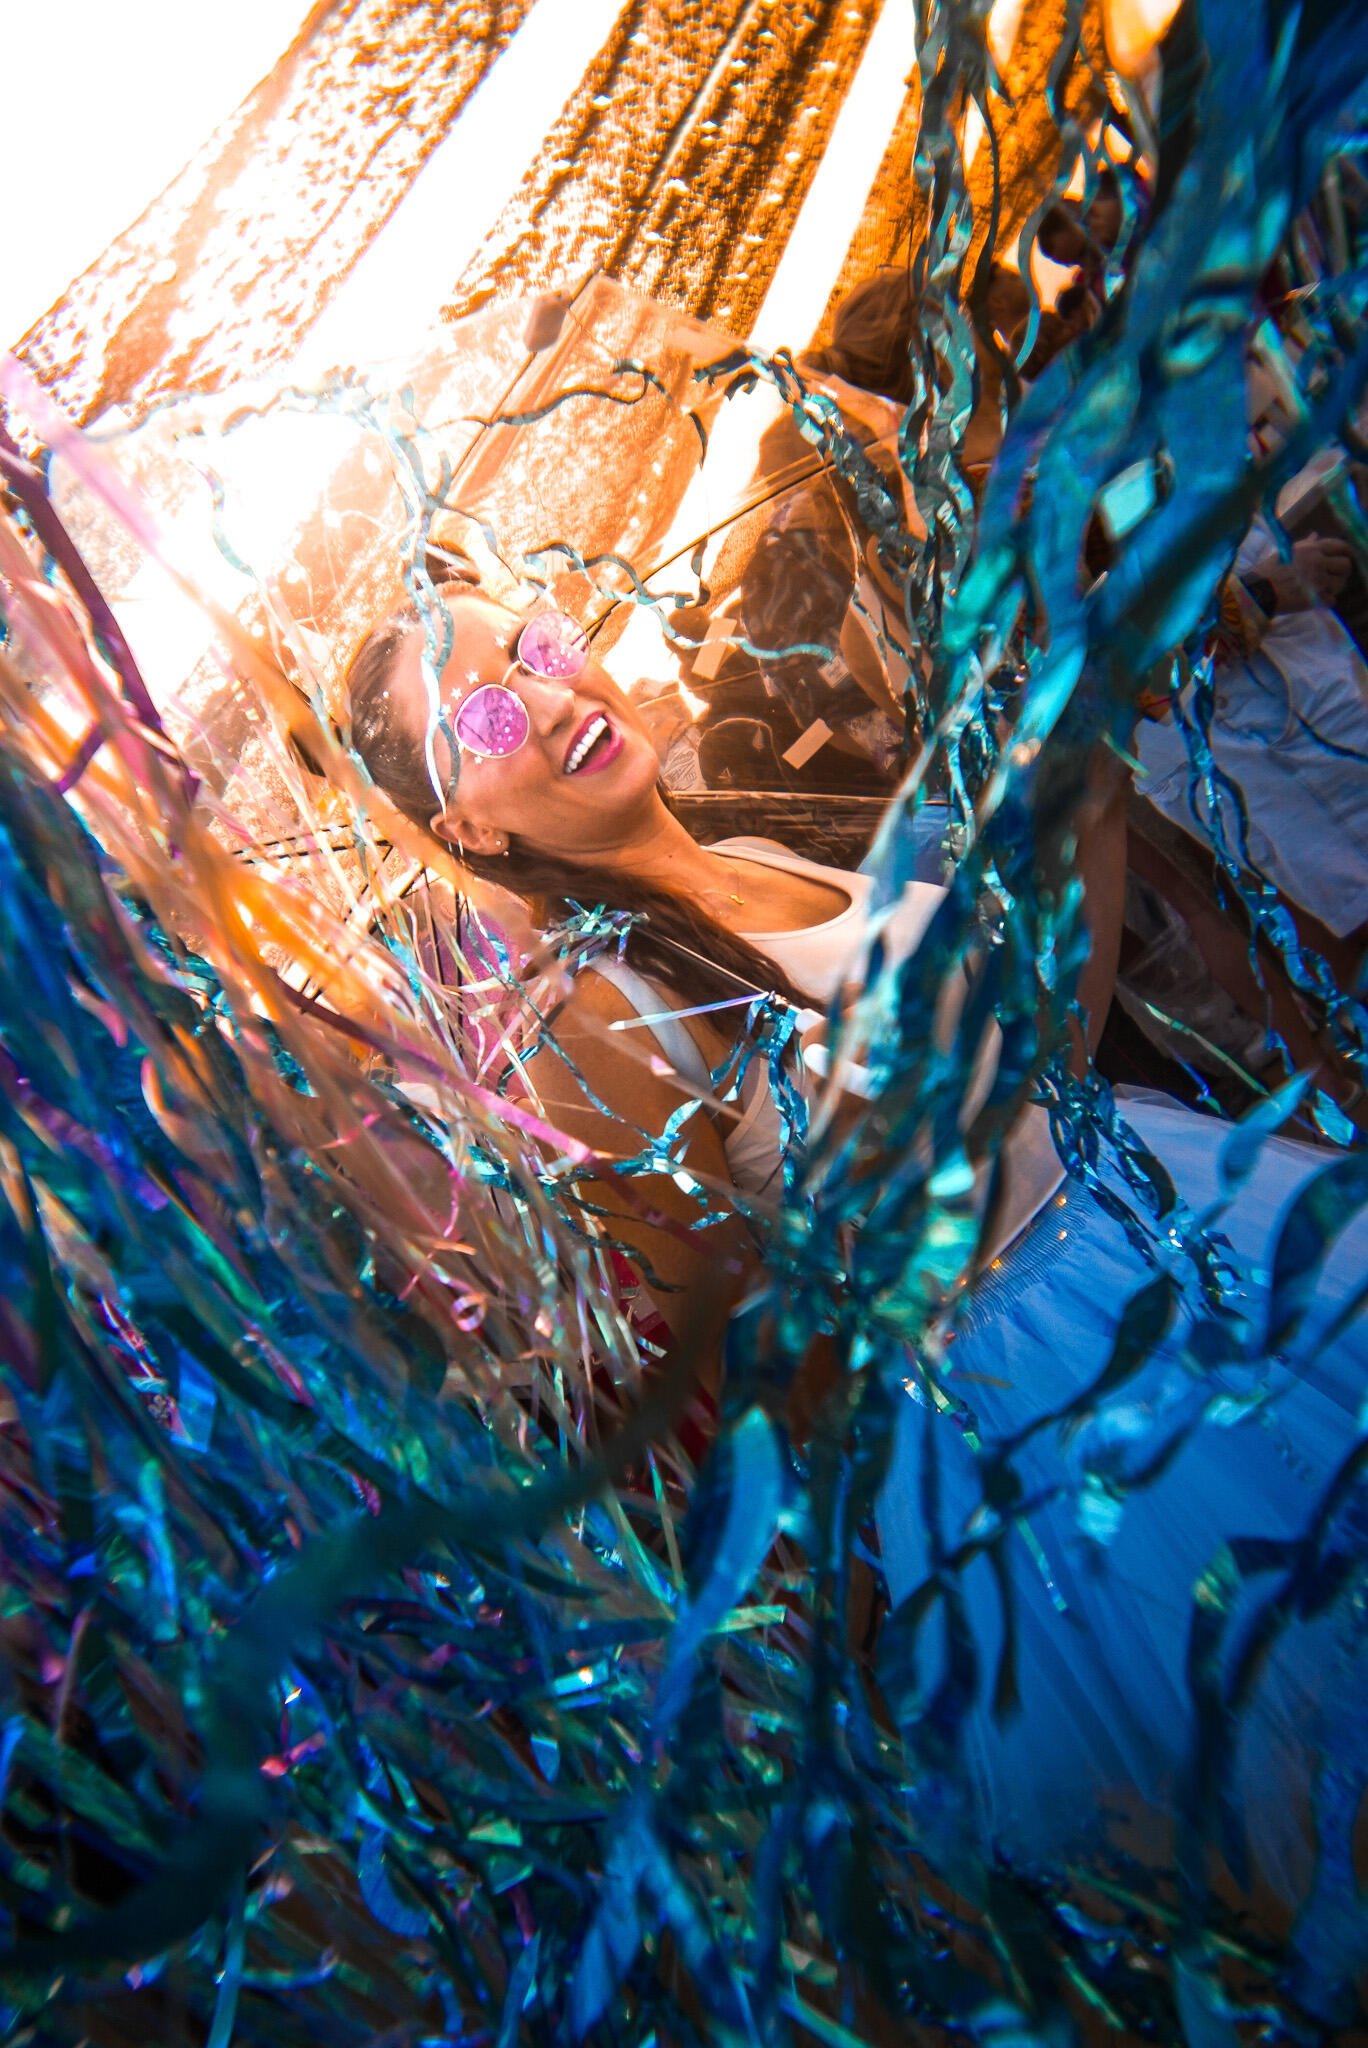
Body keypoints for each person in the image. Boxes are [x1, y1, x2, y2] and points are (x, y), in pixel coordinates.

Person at [344, 570, 1368, 2011]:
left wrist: (1080, 794)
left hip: (1167, 1219)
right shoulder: (598, 1025)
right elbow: (771, 1371)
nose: (554, 695)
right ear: (469, 830)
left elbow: (1038, 1067)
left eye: (539, 647)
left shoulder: (755, 842)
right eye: (489, 717)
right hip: (1050, 1410)